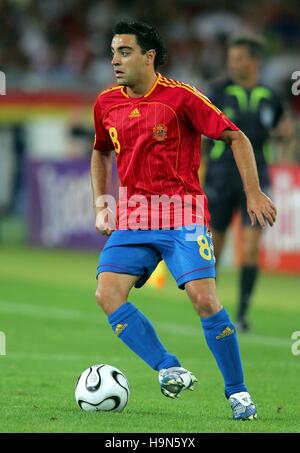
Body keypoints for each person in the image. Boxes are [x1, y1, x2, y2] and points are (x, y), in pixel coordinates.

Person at [91, 21, 276, 420]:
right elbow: (101, 150)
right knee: (107, 294)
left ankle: (238, 393)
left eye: (124, 52)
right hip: (135, 216)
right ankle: (168, 367)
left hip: (181, 213)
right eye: (113, 52)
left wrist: (253, 191)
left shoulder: (182, 98)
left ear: (148, 56)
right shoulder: (106, 102)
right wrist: (102, 202)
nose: (114, 60)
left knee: (205, 300)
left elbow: (236, 136)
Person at [204, 36, 283, 332]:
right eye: (231, 58)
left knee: (250, 249)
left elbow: (280, 129)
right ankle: (211, 311)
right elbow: (202, 135)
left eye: (238, 58)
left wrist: (285, 135)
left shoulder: (272, 95)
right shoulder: (217, 91)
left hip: (258, 177)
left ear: (254, 61)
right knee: (215, 247)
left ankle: (242, 314)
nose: (232, 63)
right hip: (221, 176)